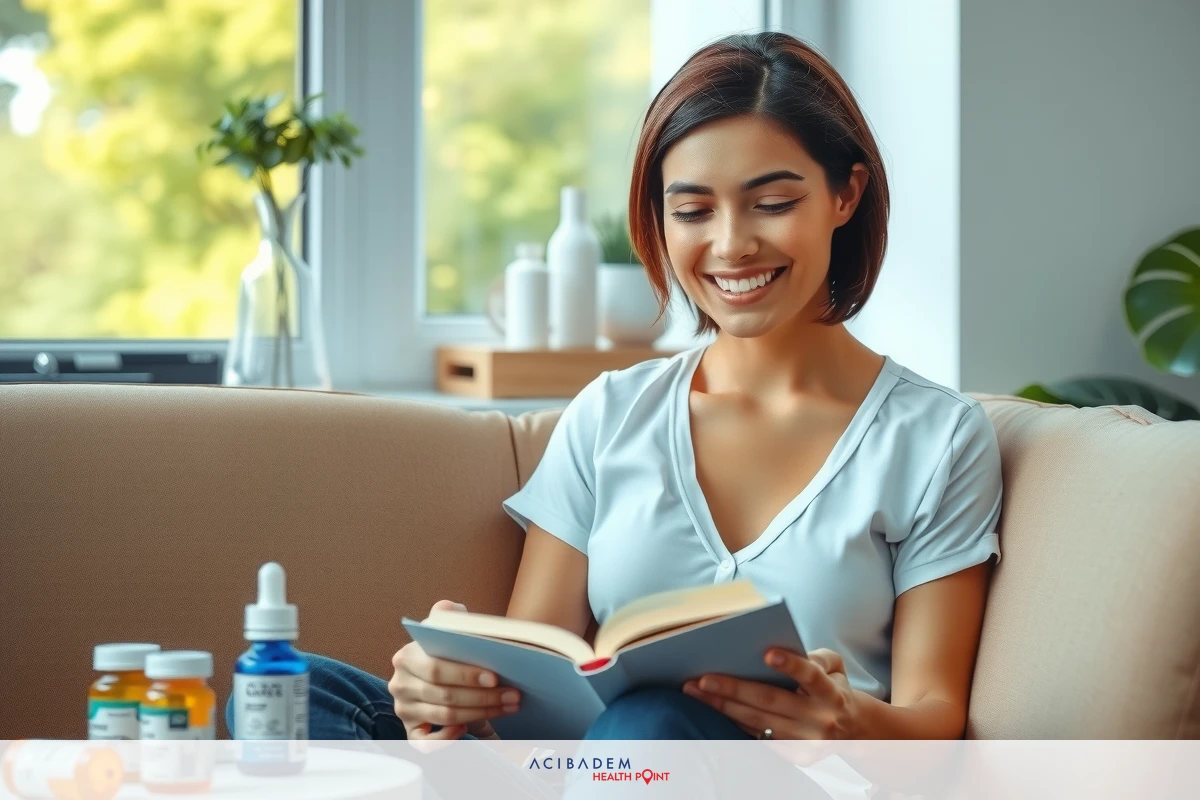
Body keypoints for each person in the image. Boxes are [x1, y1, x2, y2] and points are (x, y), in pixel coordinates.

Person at [232, 31, 1001, 766]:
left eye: (771, 203)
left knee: (651, 724)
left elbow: (936, 715)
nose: (730, 245)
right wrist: (448, 692)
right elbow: (535, 672)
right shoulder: (611, 413)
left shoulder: (935, 437)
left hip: (785, 777)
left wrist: (845, 721)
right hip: (592, 773)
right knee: (287, 692)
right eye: (693, 211)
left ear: (846, 195)